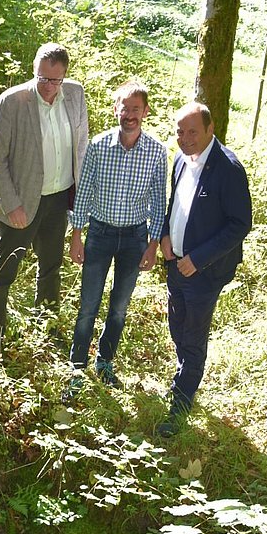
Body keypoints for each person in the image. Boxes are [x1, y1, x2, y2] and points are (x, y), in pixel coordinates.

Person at [0, 42, 89, 360]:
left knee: (51, 267)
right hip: (21, 203)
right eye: (43, 78)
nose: (49, 87)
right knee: (4, 272)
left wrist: (81, 197)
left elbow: (81, 145)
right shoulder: (13, 101)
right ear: (34, 72)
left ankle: (47, 329)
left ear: (65, 76)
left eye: (55, 80)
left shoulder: (75, 94)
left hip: (59, 198)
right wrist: (12, 204)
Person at [66, 80, 166, 395]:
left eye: (136, 108)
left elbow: (158, 202)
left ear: (145, 112)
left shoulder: (156, 152)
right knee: (88, 305)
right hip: (100, 234)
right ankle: (77, 369)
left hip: (135, 238)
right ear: (116, 110)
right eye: (125, 107)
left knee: (119, 307)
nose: (130, 114)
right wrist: (76, 235)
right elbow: (83, 193)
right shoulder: (97, 146)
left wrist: (152, 245)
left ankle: (105, 362)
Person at [158, 101, 253, 437]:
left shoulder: (228, 168)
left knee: (194, 335)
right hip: (175, 263)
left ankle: (179, 406)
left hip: (204, 270)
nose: (185, 139)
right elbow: (176, 204)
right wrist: (165, 235)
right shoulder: (181, 160)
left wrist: (198, 259)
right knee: (178, 325)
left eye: (193, 131)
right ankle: (186, 373)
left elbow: (240, 223)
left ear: (210, 129)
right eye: (180, 132)